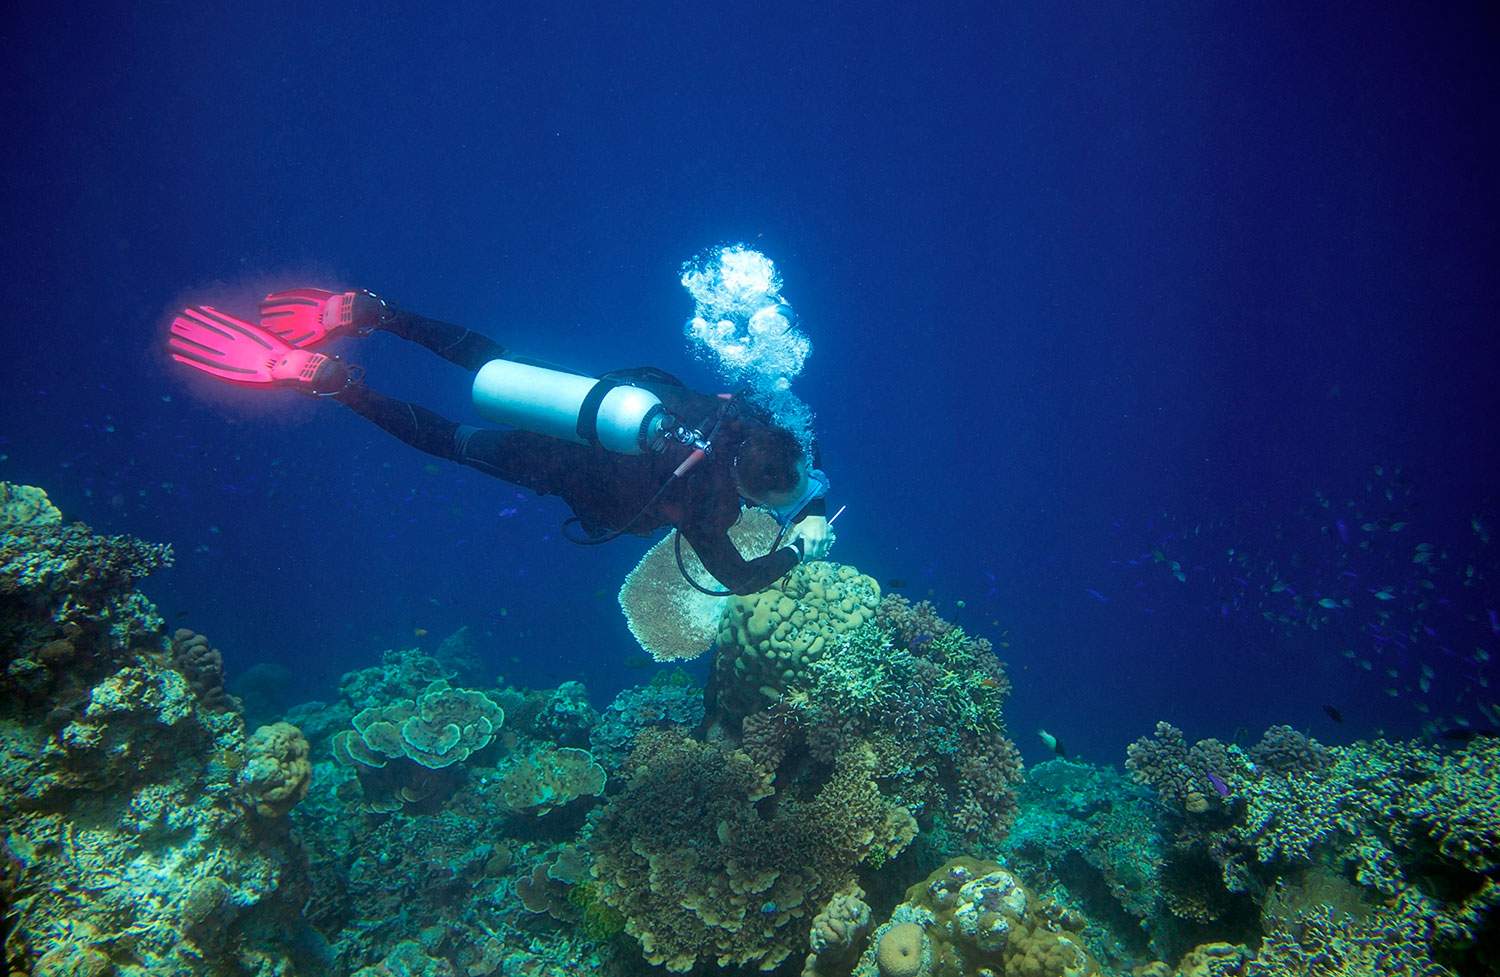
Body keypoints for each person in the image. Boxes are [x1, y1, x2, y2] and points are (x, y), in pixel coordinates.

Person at [167, 288, 833, 595]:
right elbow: (741, 579)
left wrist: (801, 486)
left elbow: (792, 445)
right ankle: (336, 384)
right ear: (750, 487)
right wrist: (797, 547)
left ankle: (377, 313)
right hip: (554, 464)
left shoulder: (745, 412)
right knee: (455, 440)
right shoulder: (711, 507)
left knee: (497, 364)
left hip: (588, 404)